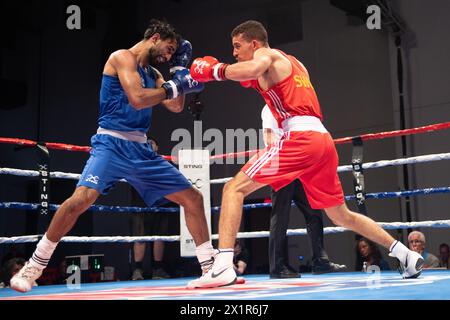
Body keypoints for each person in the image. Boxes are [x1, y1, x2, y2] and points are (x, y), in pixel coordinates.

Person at [187, 20, 423, 288]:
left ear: (254, 44)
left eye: (237, 46)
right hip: (323, 141)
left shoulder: (265, 54)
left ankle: (223, 266)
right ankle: (405, 255)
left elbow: (251, 67)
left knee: (233, 188)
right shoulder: (295, 63)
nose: (234, 53)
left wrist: (215, 70)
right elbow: (255, 77)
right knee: (340, 215)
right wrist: (224, 73)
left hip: (299, 138)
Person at [10, 19, 214, 293]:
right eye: (169, 48)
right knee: (79, 200)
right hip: (111, 143)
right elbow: (138, 99)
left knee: (193, 198)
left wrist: (179, 73)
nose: (169, 55)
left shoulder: (153, 72)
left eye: (173, 52)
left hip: (141, 149)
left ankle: (209, 269)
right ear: (155, 37)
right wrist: (172, 86)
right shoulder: (121, 58)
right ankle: (33, 267)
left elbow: (175, 105)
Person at [262, 105, 346, 278]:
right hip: (282, 165)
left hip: (299, 165)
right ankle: (277, 267)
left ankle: (320, 261)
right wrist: (287, 159)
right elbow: (269, 138)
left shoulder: (290, 107)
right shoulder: (270, 107)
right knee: (281, 215)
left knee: (313, 210)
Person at [131, 138, 171, 280]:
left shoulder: (163, 162)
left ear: (157, 147)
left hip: (160, 204)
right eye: (146, 144)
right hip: (141, 204)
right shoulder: (135, 161)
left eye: (152, 144)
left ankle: (157, 269)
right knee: (140, 237)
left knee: (159, 237)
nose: (149, 146)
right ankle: (137, 270)